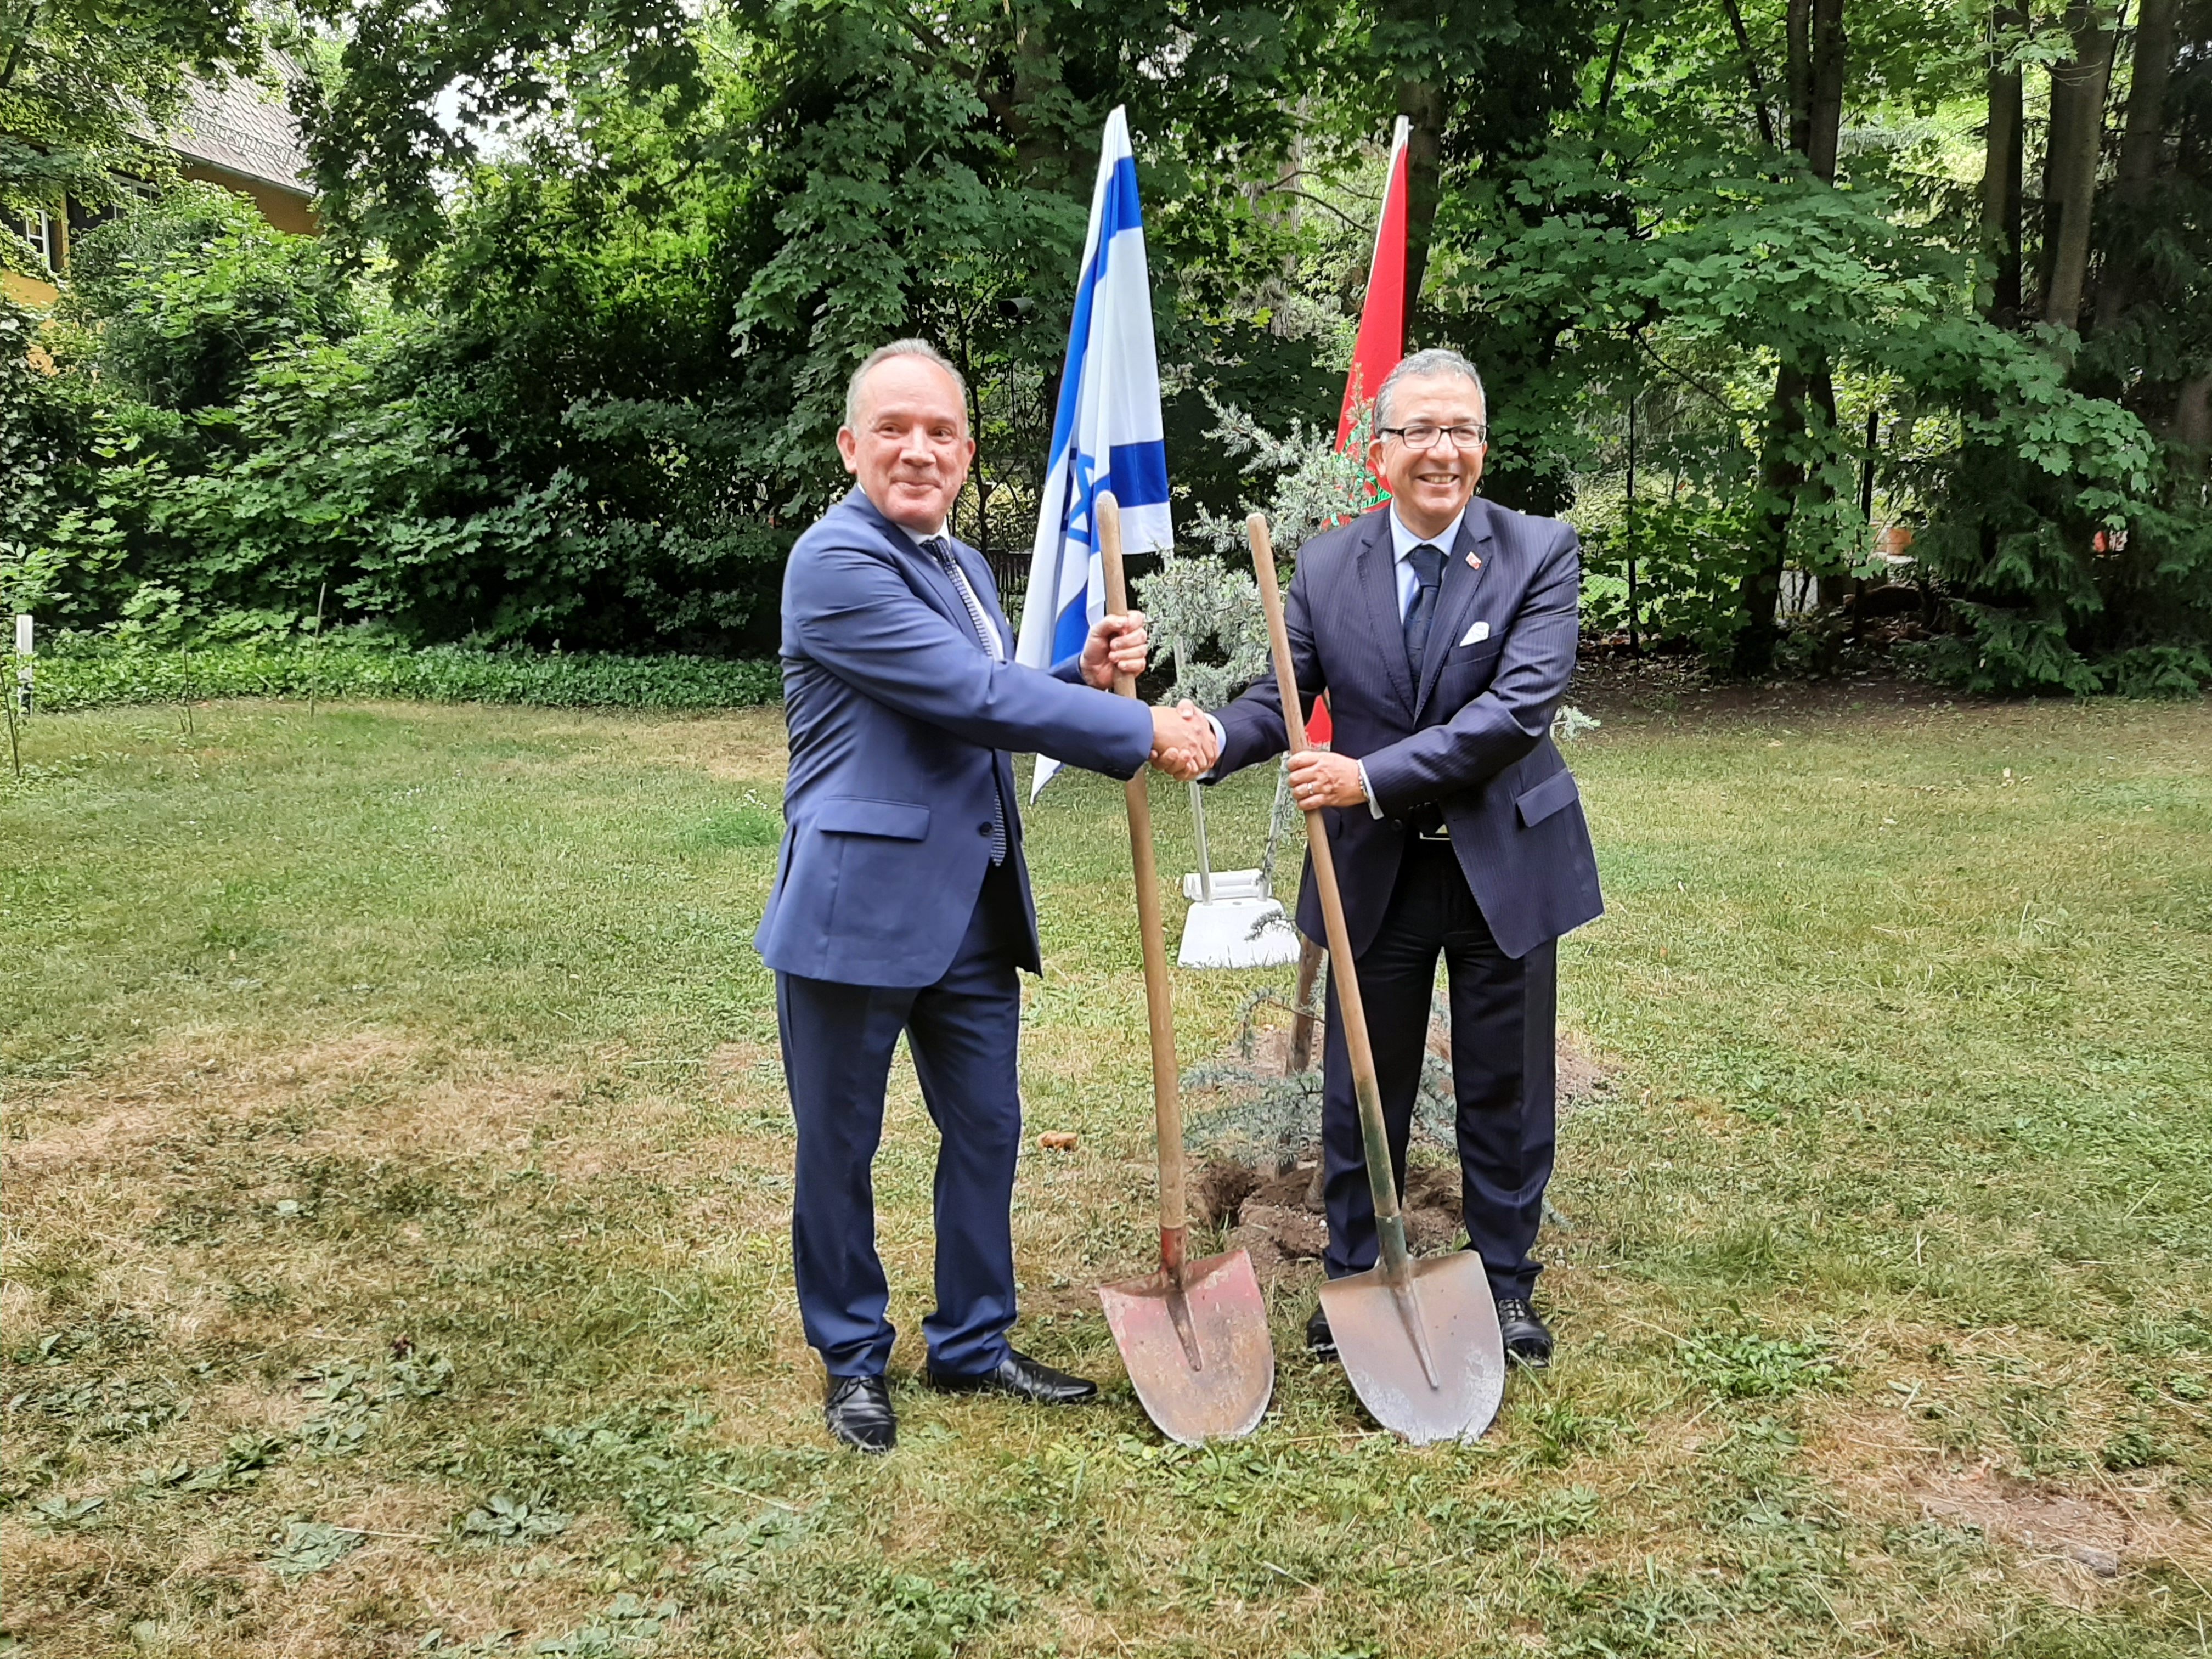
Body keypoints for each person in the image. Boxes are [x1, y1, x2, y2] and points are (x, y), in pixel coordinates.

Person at [754, 339, 1218, 1453]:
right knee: (841, 1144)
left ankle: (971, 1341)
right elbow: (964, 690)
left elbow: (982, 697)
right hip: (854, 911)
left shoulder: (959, 568)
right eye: (896, 430)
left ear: (967, 453)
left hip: (970, 904)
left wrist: (1084, 681)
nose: (920, 450)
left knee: (989, 1130)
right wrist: (1138, 727)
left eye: (943, 433)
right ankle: (852, 1357)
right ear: (851, 445)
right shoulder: (834, 561)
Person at [1205, 347, 1601, 1367]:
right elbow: (1279, 693)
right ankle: (1359, 1278)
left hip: (1499, 865)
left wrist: (1367, 777)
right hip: (1375, 874)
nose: (1444, 451)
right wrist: (1209, 739)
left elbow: (1517, 712)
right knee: (1361, 1084)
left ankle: (1505, 1287)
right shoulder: (1332, 564)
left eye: (1462, 431)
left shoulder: (1538, 552)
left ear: (1482, 446)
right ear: (1379, 452)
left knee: (1505, 1087)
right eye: (1421, 430)